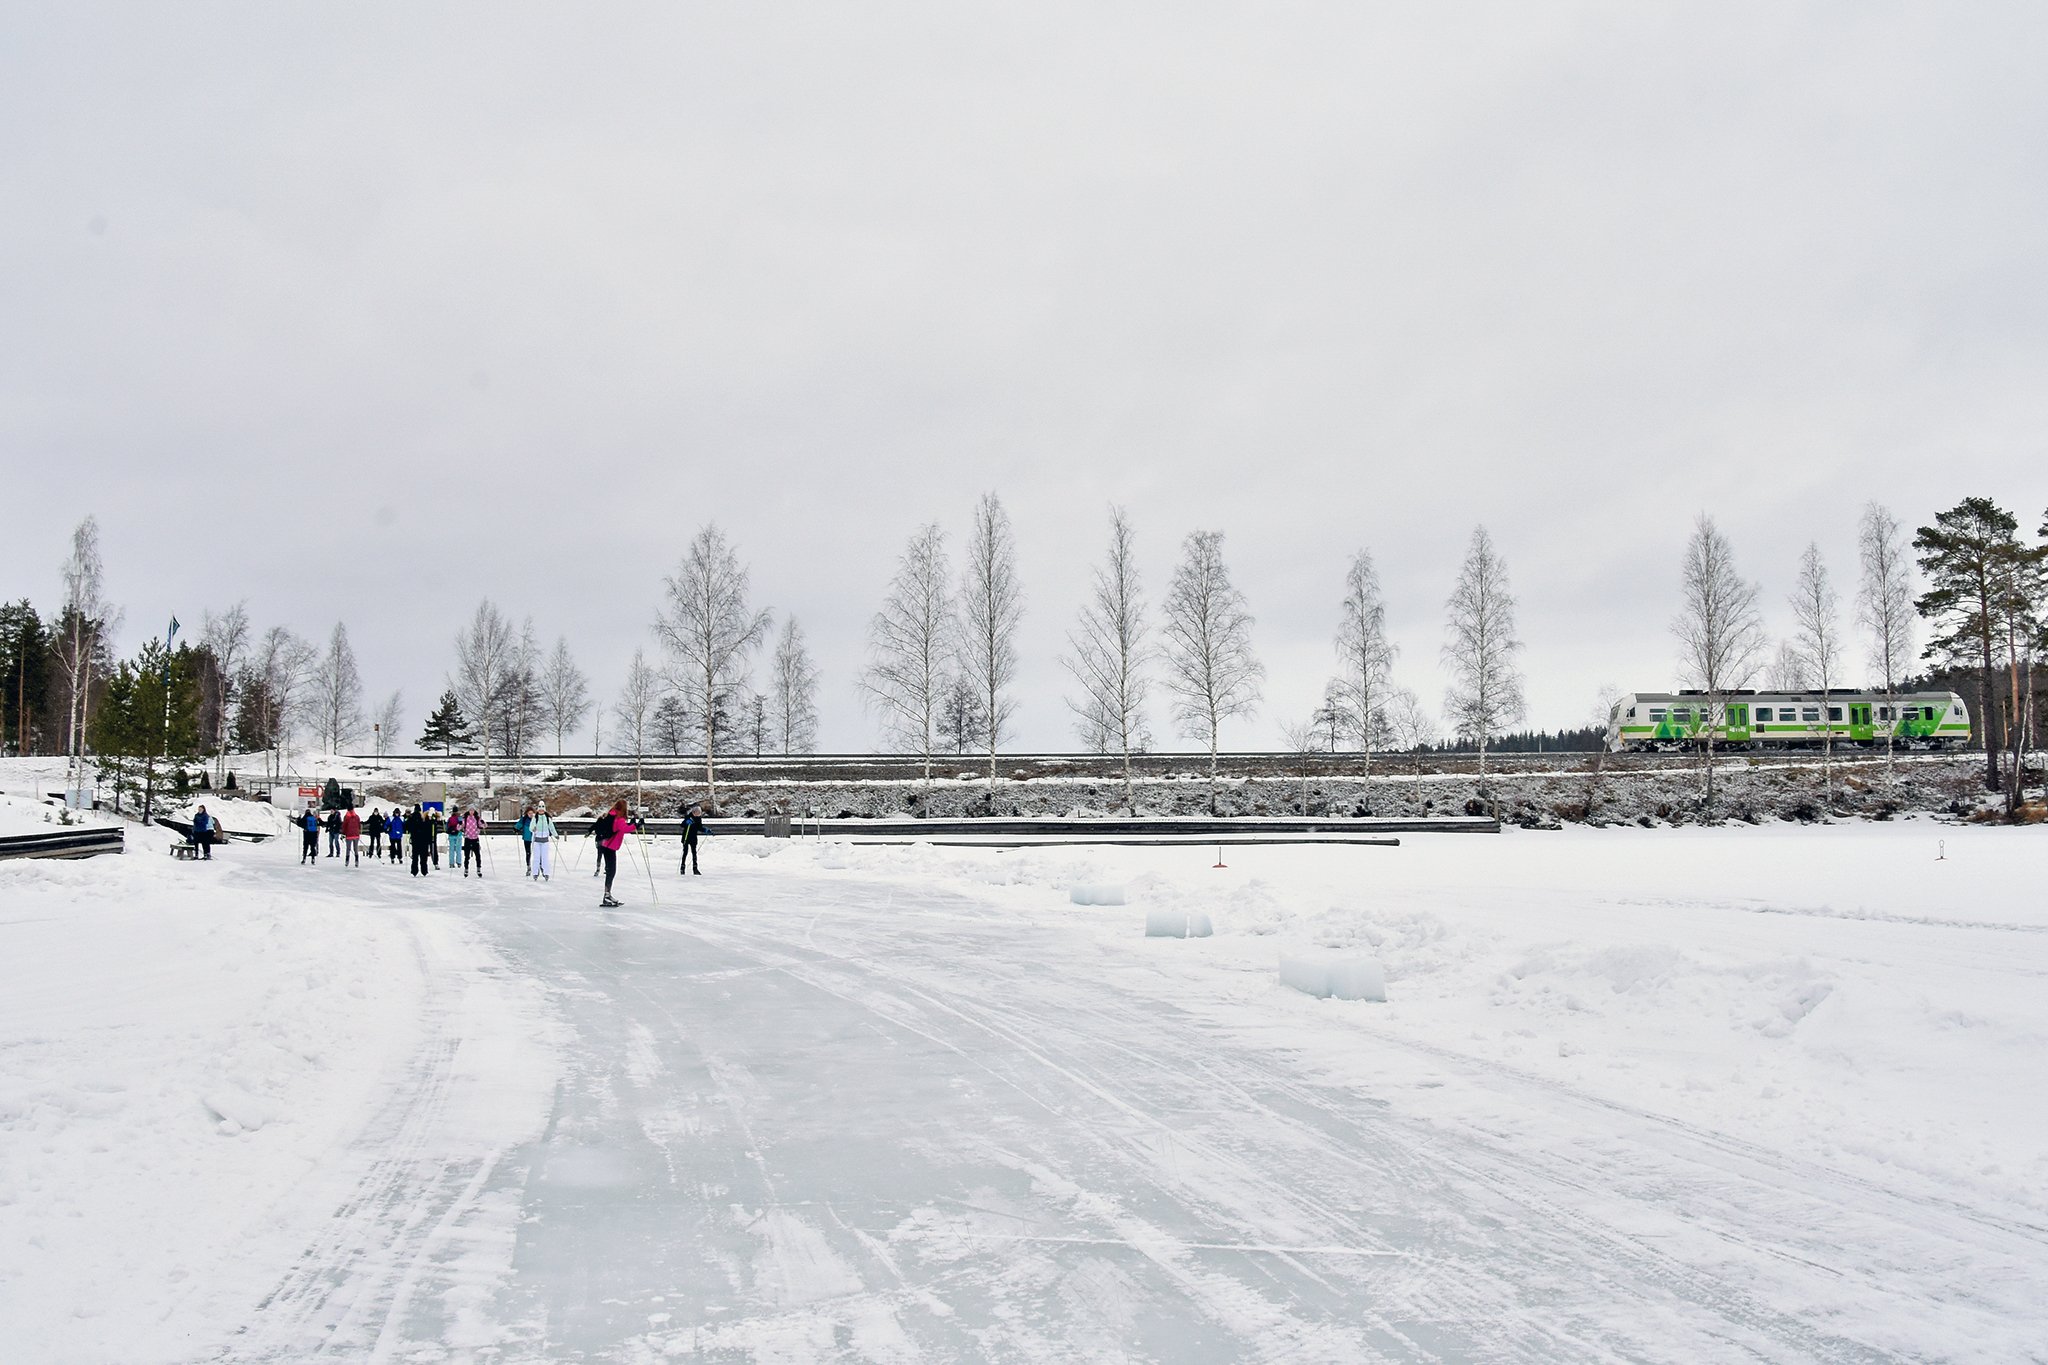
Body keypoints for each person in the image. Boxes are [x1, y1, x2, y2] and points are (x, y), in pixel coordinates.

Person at [595, 798, 634, 907]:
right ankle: (607, 895)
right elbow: (625, 829)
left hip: (606, 845)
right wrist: (636, 825)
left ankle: (608, 894)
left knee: (610, 870)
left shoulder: (611, 816)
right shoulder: (619, 819)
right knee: (611, 871)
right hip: (610, 847)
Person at [528, 803, 556, 880]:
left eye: (542, 810)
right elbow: (531, 827)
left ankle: (546, 873)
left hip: (545, 840)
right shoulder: (535, 818)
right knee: (536, 857)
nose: (541, 811)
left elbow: (552, 828)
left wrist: (555, 835)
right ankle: (535, 873)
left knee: (545, 858)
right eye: (539, 810)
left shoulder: (547, 819)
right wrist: (533, 829)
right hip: (537, 840)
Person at [679, 803, 705, 875]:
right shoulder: (689, 817)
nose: (697, 813)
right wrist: (686, 822)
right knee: (685, 852)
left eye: (698, 812)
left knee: (694, 853)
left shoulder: (698, 819)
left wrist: (706, 830)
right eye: (696, 812)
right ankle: (682, 867)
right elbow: (682, 825)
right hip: (686, 837)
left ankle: (695, 868)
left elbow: (699, 827)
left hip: (693, 838)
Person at [407, 805, 432, 876]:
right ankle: (424, 871)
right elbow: (428, 828)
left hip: (415, 839)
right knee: (423, 856)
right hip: (423, 840)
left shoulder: (411, 817)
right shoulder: (423, 818)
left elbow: (408, 827)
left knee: (415, 856)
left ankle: (414, 871)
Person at [462, 808, 484, 876]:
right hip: (468, 838)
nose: (471, 812)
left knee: (477, 854)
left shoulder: (477, 818)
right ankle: (466, 868)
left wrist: (483, 823)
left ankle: (478, 868)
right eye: (470, 810)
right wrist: (460, 824)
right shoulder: (465, 819)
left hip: (475, 838)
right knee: (466, 855)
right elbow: (459, 827)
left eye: (473, 810)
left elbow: (484, 826)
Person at [517, 806, 534, 872]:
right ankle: (528, 865)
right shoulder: (524, 819)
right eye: (529, 813)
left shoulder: (535, 819)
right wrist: (516, 828)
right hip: (527, 838)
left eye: (532, 813)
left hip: (535, 838)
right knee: (528, 852)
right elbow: (519, 824)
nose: (531, 815)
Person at [447, 807, 464, 871]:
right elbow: (462, 826)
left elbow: (447, 826)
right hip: (458, 835)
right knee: (458, 849)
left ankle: (451, 863)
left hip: (451, 835)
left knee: (451, 849)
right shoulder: (459, 818)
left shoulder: (450, 818)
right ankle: (458, 862)